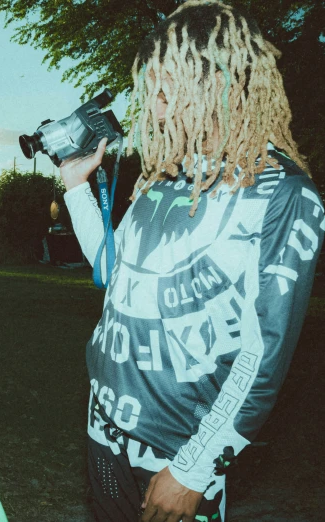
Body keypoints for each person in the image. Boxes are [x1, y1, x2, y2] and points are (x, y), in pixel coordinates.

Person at [59, 2, 323, 521]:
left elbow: (262, 357)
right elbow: (116, 277)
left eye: (166, 89)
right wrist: (75, 189)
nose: (154, 110)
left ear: (218, 81)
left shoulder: (283, 194)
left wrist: (195, 469)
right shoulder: (164, 177)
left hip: (175, 458)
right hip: (102, 435)